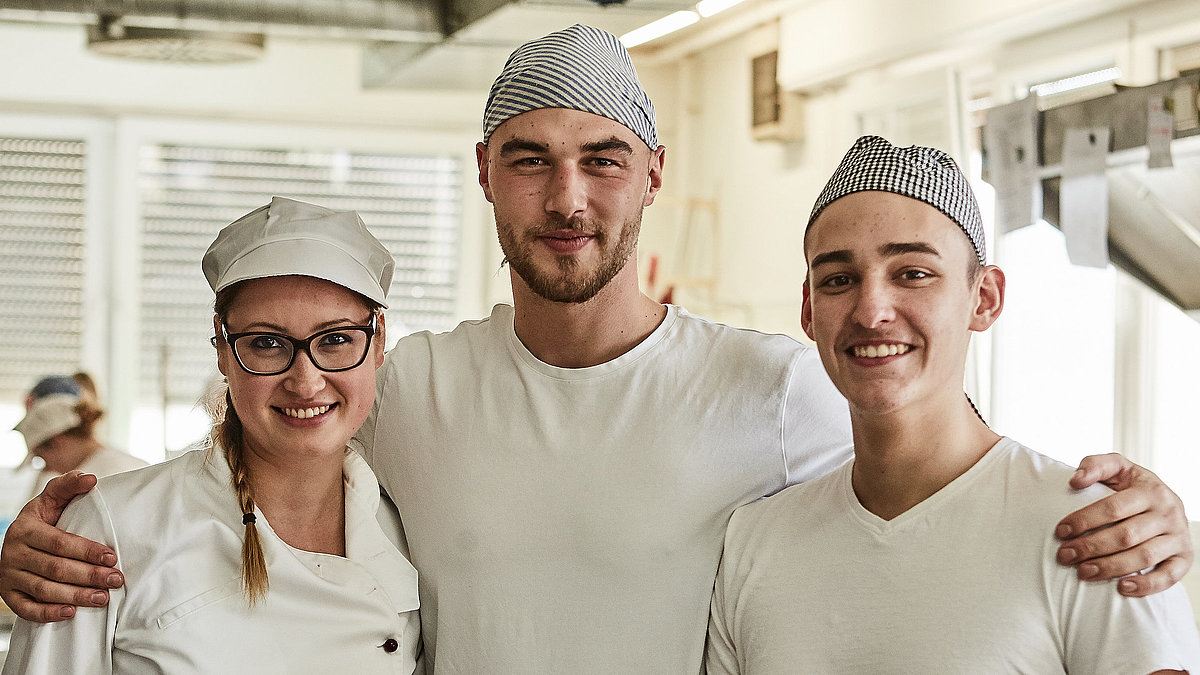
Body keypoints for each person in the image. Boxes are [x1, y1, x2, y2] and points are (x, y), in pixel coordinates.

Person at [0, 25, 1193, 674]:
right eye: (529, 158)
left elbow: (943, 480)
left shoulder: (775, 388)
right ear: (484, 178)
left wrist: (1157, 518)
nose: (566, 196)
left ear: (653, 178)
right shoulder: (408, 391)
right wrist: (48, 552)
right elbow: (250, 482)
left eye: (602, 158)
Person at [705, 136, 1200, 673]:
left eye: (913, 273)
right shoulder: (755, 543)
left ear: (984, 298)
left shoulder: (1100, 533)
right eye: (839, 280)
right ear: (808, 309)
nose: (871, 311)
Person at [2, 197, 421, 673]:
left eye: (336, 339)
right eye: (266, 343)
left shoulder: (412, 521)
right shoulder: (113, 527)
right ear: (222, 347)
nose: (306, 381)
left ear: (379, 339)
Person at [14, 373, 146, 500]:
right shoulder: (122, 464)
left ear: (57, 441)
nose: (46, 468)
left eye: (41, 457)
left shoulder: (115, 474)